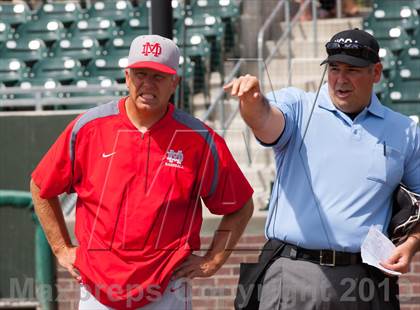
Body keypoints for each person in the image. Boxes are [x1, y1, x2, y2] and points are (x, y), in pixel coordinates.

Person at [30, 34, 254, 309]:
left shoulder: (199, 138)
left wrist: (214, 260)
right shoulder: (89, 127)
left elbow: (241, 205)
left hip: (166, 290)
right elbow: (41, 186)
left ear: (175, 82)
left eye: (159, 76)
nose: (147, 84)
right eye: (140, 74)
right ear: (127, 76)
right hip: (98, 291)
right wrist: (61, 249)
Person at [225, 28, 420, 309]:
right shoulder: (298, 105)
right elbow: (266, 122)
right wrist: (252, 102)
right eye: (334, 68)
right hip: (294, 271)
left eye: (352, 70)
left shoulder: (405, 131)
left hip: (363, 276)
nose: (340, 79)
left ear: (376, 73)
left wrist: (411, 244)